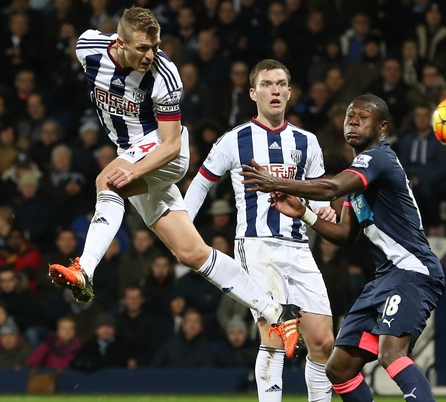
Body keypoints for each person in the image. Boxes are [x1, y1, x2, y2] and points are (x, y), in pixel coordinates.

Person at [46, 7, 299, 355]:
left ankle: (84, 269)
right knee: (191, 253)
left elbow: (171, 145)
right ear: (120, 43)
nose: (150, 55)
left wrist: (134, 170)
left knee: (107, 181)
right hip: (132, 155)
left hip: (164, 155)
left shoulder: (165, 74)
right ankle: (277, 312)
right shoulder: (88, 47)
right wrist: (132, 167)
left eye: (155, 46)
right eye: (142, 48)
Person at [241, 94, 446, 402]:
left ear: (383, 128)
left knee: (392, 353)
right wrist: (305, 215)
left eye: (363, 117)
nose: (353, 122)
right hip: (385, 277)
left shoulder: (378, 159)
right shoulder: (361, 172)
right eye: (349, 116)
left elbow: (330, 188)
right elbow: (345, 235)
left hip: (413, 270)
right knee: (338, 368)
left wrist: (278, 183)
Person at [184, 59, 343, 402]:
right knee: (275, 333)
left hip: (299, 247)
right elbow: (203, 183)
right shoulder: (234, 140)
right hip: (256, 246)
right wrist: (182, 228)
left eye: (282, 84)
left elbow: (318, 197)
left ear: (290, 92)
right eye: (267, 84)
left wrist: (324, 212)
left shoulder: (307, 143)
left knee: (322, 340)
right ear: (253, 93)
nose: (275, 90)